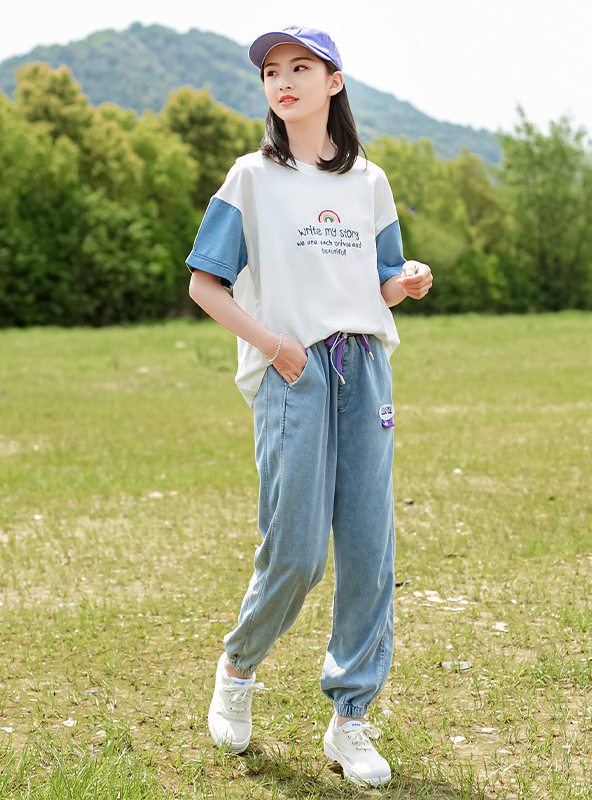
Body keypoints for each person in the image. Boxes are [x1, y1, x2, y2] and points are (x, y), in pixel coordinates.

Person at [186, 25, 432, 787]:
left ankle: (350, 717)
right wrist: (275, 346)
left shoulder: (370, 182)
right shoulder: (250, 178)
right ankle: (238, 667)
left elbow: (381, 279)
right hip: (292, 370)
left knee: (367, 550)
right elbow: (204, 285)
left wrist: (406, 281)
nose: (283, 81)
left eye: (300, 67)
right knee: (296, 551)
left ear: (334, 82)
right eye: (271, 71)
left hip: (365, 369)